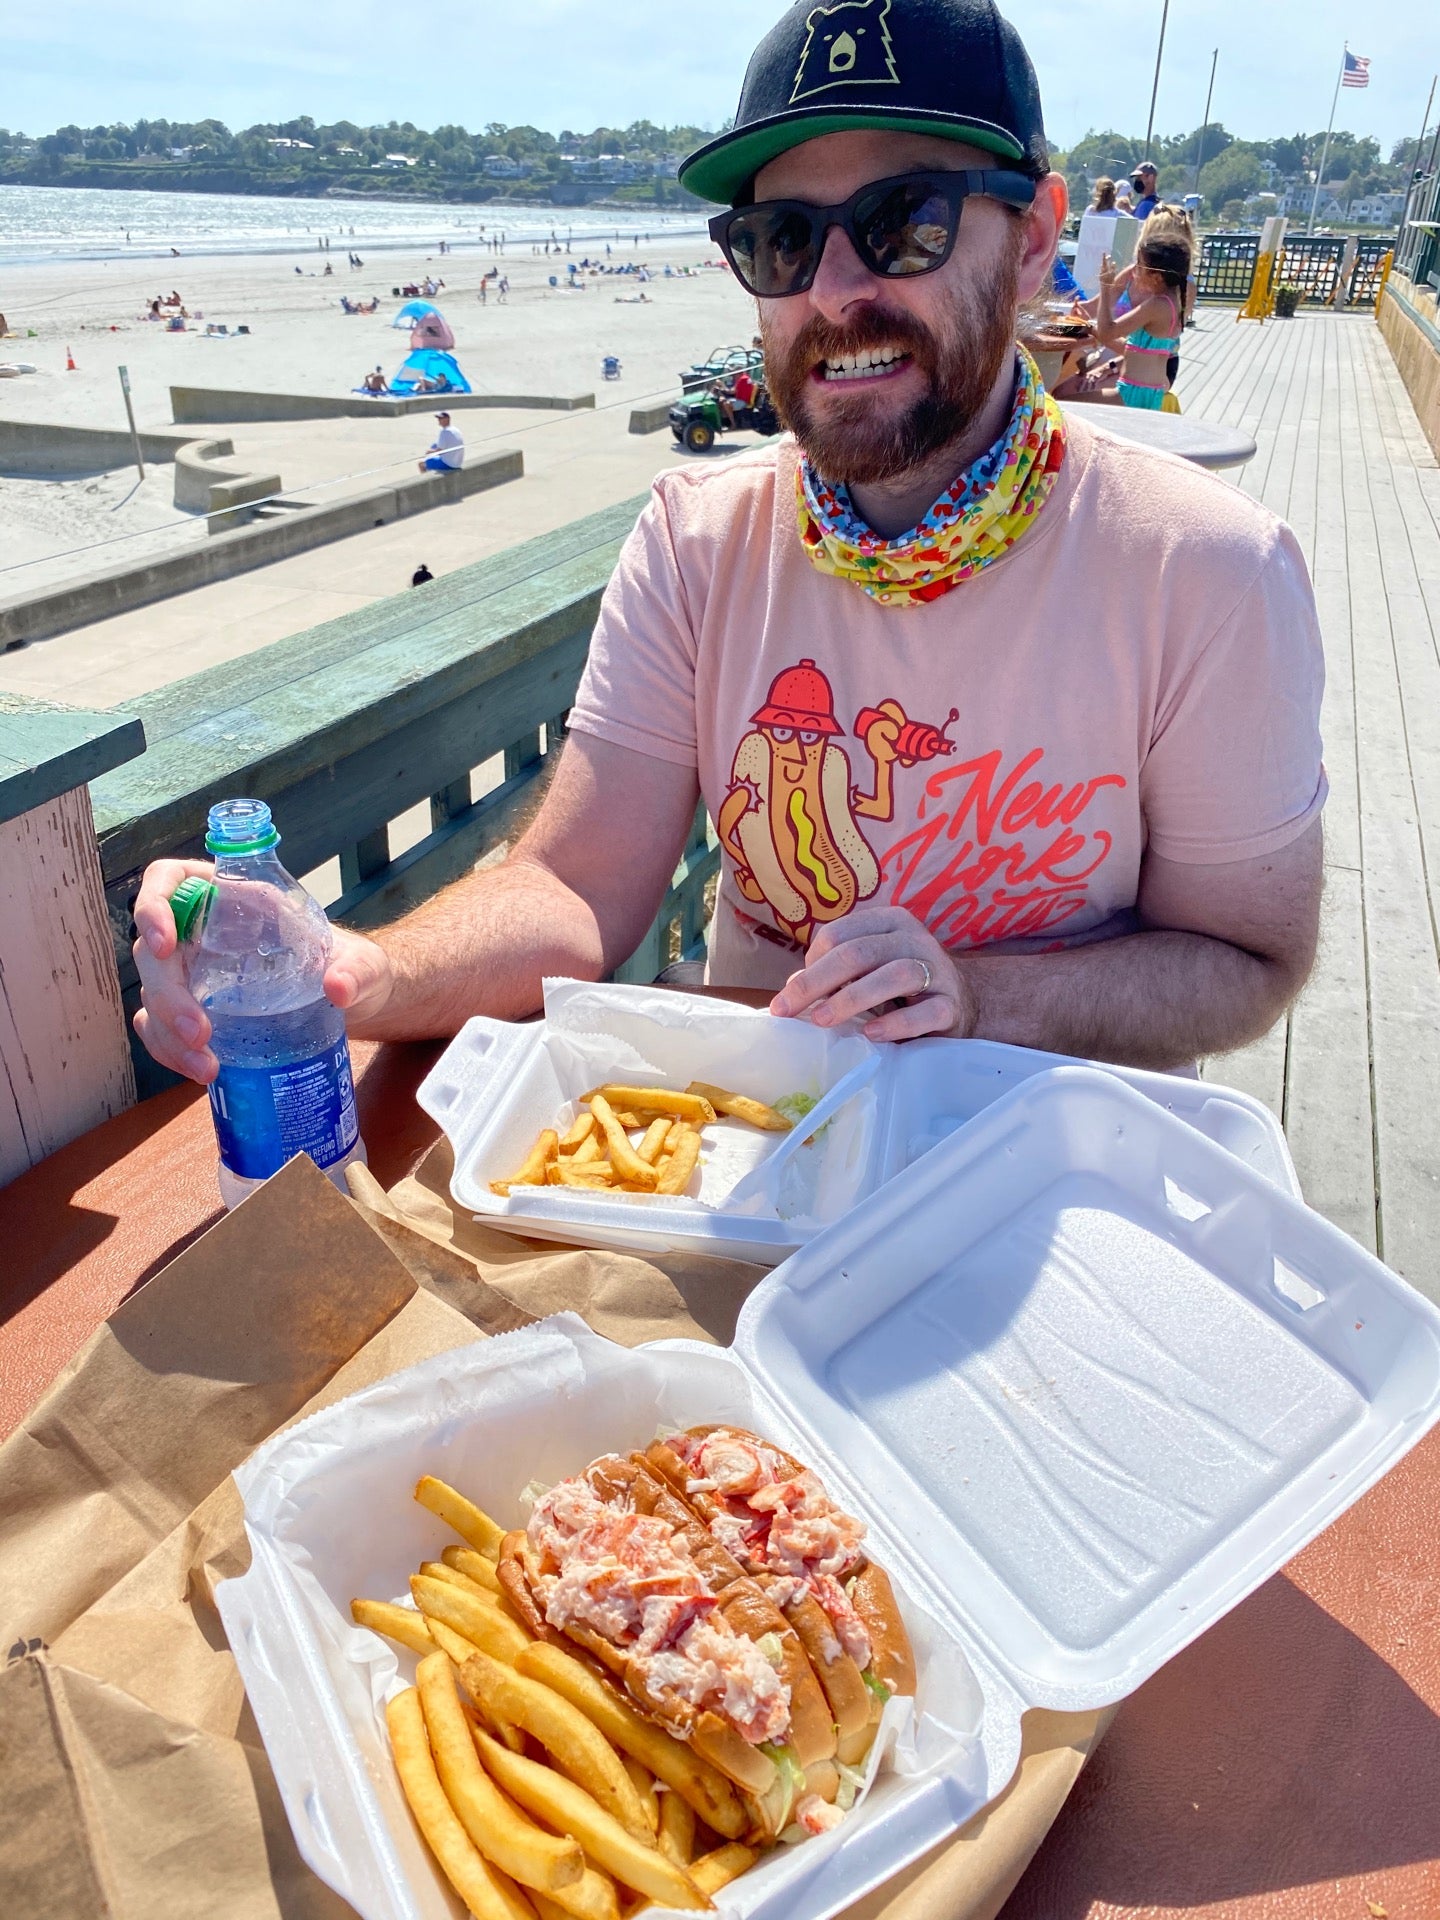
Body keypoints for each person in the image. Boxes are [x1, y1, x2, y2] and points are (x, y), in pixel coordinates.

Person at [134, 0, 1324, 1088]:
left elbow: (1247, 958)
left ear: (1030, 237)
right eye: (780, 240)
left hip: (1062, 1179)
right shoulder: (700, 540)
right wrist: (355, 973)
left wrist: (974, 994)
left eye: (903, 221)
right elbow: (572, 889)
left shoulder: (1208, 572)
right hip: (761, 1163)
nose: (835, 289)